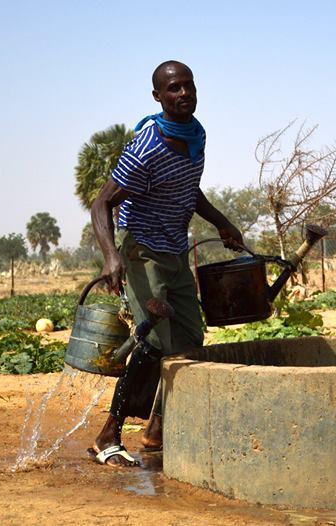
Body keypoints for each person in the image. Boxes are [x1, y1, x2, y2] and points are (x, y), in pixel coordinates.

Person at [87, 60, 244, 467]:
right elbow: (102, 201)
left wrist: (223, 223)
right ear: (158, 97)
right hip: (143, 253)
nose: (183, 94)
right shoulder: (148, 145)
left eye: (188, 86)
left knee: (190, 341)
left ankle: (156, 429)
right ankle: (108, 436)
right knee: (153, 341)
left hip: (175, 250)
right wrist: (110, 256)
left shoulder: (196, 136)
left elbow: (189, 190)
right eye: (173, 89)